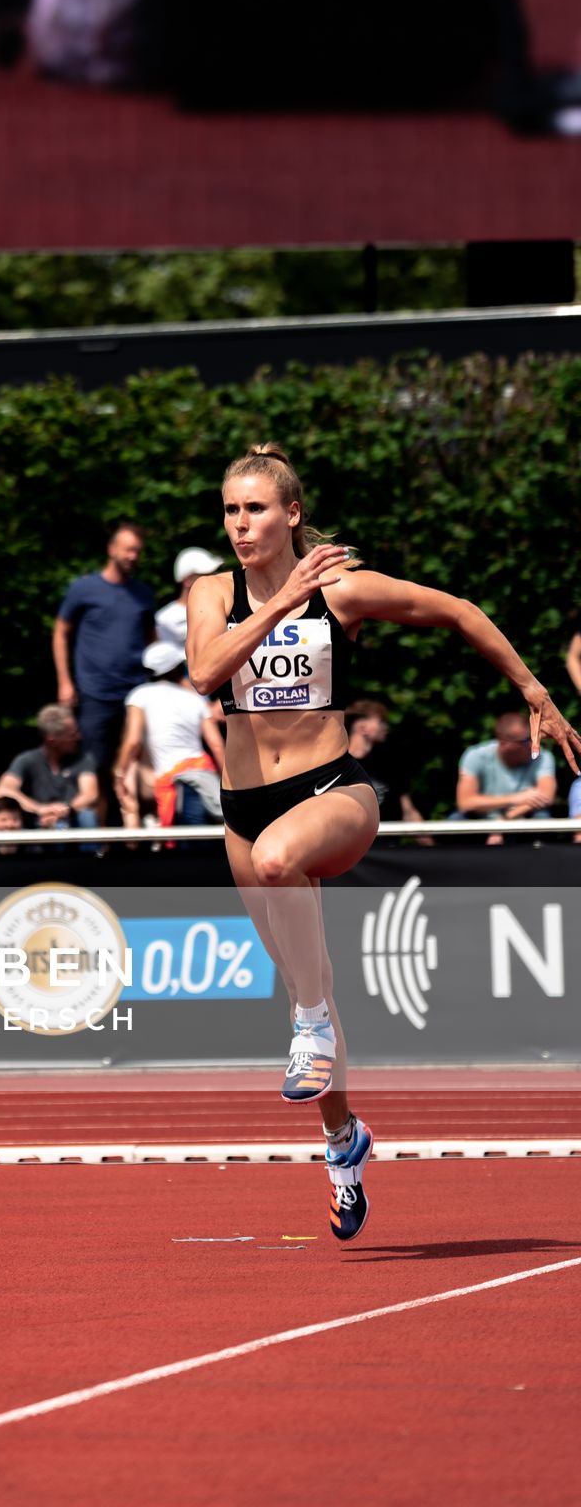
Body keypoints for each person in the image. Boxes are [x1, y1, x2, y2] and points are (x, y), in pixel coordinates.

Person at [186, 442, 581, 1244]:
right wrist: (274, 604)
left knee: (282, 881)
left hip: (334, 793)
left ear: (291, 514)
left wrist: (536, 692)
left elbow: (460, 611)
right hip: (242, 807)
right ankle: (344, 1143)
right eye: (230, 510)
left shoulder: (342, 591)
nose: (240, 524)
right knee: (312, 989)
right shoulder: (212, 592)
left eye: (255, 509)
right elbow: (204, 670)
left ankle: (311, 1030)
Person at [53, 523, 155, 819]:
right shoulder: (84, 589)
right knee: (94, 764)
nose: (133, 556)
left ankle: (135, 836)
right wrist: (65, 681)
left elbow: (153, 640)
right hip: (95, 692)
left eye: (137, 550)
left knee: (133, 764)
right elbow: (60, 633)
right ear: (112, 550)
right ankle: (97, 838)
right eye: (128, 549)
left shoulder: (143, 594)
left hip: (136, 692)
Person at [114, 641, 224, 830]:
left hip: (177, 785)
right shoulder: (195, 699)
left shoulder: (140, 695)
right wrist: (227, 784)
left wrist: (119, 774)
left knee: (185, 851)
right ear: (176, 669)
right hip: (204, 777)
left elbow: (132, 742)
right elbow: (216, 745)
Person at [454, 711, 557, 843]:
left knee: (543, 819)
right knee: (456, 820)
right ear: (504, 744)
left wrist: (504, 821)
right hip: (482, 820)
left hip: (521, 819)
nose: (534, 745)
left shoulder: (542, 757)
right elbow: (465, 803)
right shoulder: (475, 756)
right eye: (526, 740)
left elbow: (546, 796)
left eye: (534, 737)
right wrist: (515, 798)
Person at [0, 705, 99, 829]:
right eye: (71, 735)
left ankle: (90, 849)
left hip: (72, 820)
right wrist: (40, 809)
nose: (78, 737)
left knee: (87, 816)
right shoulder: (27, 760)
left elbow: (90, 794)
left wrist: (64, 811)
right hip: (37, 824)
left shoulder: (83, 759)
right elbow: (3, 790)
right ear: (52, 740)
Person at [343, 698, 431, 842]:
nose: (386, 727)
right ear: (362, 727)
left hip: (387, 849)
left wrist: (432, 851)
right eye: (381, 721)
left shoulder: (390, 763)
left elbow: (408, 811)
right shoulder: (339, 766)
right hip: (350, 851)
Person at [155, 546, 223, 656]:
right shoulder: (165, 619)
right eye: (206, 575)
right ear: (187, 580)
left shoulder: (223, 608)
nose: (214, 579)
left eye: (214, 573)